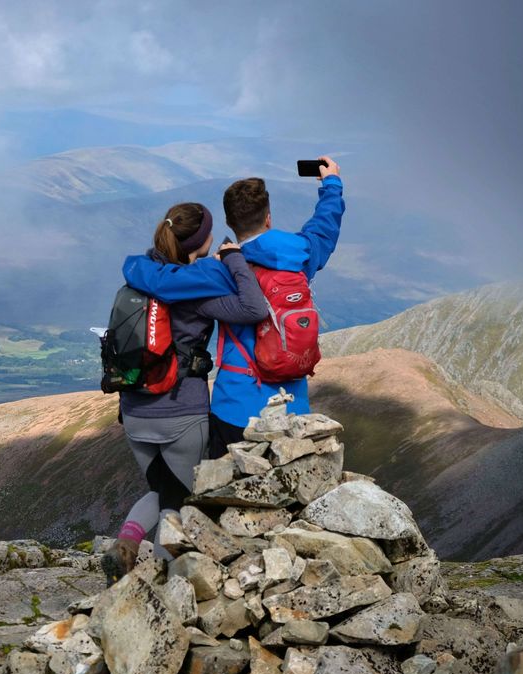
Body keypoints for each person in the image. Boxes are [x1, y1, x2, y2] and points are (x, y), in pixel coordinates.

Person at [122, 156, 345, 459]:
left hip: (236, 407)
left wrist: (132, 264)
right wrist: (330, 184)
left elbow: (161, 282)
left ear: (229, 223)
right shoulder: (300, 257)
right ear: (268, 217)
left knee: (226, 495)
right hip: (293, 405)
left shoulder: (220, 270)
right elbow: (324, 229)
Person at [103, 202, 269, 582]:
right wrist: (234, 259)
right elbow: (254, 307)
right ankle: (165, 584)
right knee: (176, 504)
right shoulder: (200, 288)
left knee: (161, 488)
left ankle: (127, 544)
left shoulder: (141, 273)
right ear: (204, 240)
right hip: (180, 411)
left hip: (133, 410)